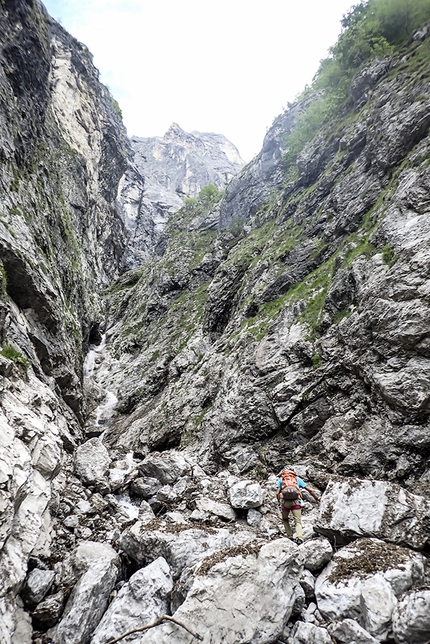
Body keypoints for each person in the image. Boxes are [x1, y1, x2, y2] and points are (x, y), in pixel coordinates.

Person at [275, 466, 320, 545]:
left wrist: (279, 502)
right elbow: (310, 490)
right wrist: (316, 498)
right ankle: (299, 538)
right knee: (297, 522)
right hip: (296, 502)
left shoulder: (281, 480)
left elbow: (277, 493)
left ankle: (290, 537)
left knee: (285, 519)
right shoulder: (297, 479)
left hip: (285, 503)